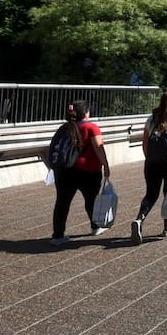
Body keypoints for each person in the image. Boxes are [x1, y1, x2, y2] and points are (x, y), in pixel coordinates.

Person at [51, 100, 111, 246]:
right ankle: (95, 227)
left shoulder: (64, 128)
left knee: (62, 202)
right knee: (91, 200)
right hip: (88, 171)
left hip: (64, 170)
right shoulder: (91, 127)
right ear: (85, 113)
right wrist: (106, 166)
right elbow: (99, 148)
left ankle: (58, 235)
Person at [130, 91, 167, 244]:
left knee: (150, 195)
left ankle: (139, 219)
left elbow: (145, 143)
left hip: (152, 163)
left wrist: (149, 158)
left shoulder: (151, 119)